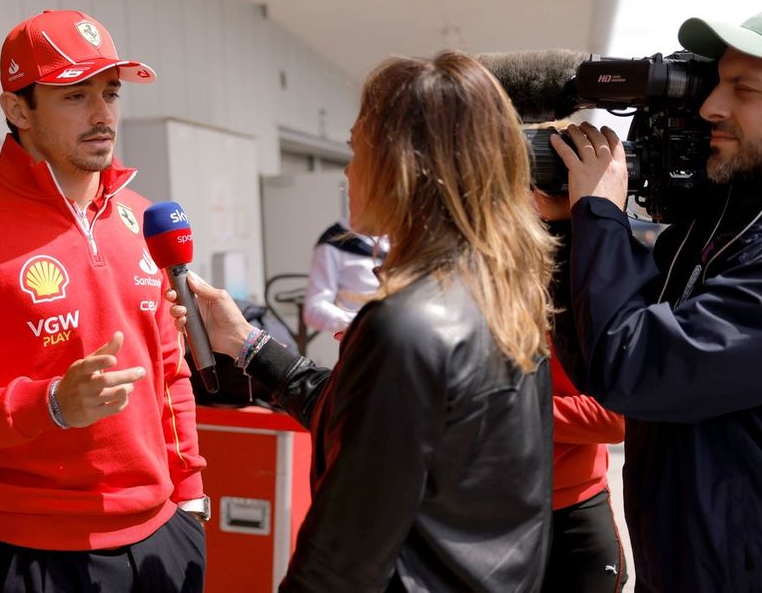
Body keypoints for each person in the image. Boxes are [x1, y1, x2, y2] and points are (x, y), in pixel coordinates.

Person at [171, 51, 557, 591]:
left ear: (403, 164)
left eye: (356, 148)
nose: (348, 171)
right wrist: (247, 343)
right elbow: (357, 421)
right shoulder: (499, 290)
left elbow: (339, 565)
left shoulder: (405, 325)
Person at [0, 10, 207, 592]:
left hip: (166, 536)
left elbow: (168, 373)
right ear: (18, 110)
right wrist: (51, 404)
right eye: (75, 96)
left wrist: (190, 498)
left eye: (109, 93)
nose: (102, 114)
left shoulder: (141, 217)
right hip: (37, 552)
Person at [542, 2, 762, 590]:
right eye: (715, 82)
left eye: (744, 89)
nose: (709, 108)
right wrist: (570, 235)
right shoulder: (728, 221)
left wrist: (598, 214)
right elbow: (601, 362)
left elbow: (637, 371)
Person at [543, 348, 626, 593]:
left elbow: (612, 419)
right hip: (496, 512)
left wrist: (517, 410)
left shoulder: (572, 316)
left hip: (577, 510)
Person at [302, 217, 387, 335]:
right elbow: (314, 308)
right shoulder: (334, 240)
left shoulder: (407, 234)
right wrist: (359, 321)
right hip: (365, 340)